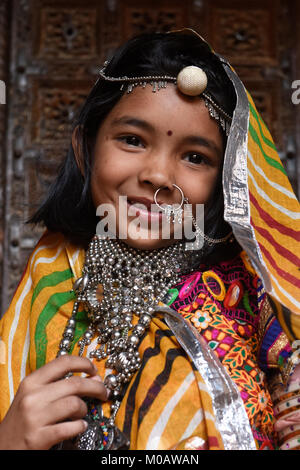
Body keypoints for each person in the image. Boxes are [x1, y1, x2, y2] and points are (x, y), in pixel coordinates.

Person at [0, 29, 299, 451]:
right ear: (85, 149)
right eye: (133, 140)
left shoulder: (264, 298)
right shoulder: (50, 274)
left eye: (196, 157)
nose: (158, 176)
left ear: (226, 181)